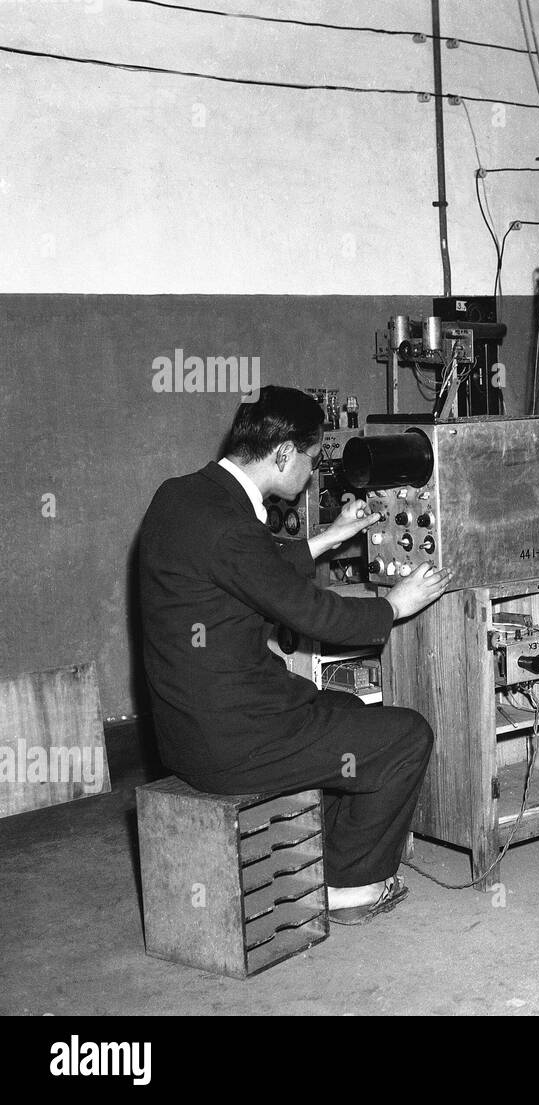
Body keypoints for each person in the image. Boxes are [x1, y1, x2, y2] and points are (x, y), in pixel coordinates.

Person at [138, 386, 452, 924]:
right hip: (233, 743)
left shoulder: (182, 495)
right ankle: (350, 888)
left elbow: (247, 568)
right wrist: (395, 606)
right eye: (310, 459)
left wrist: (328, 538)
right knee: (407, 736)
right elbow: (314, 615)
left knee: (350, 713)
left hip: (184, 731)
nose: (311, 473)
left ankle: (322, 856)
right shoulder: (234, 527)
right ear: (282, 453)